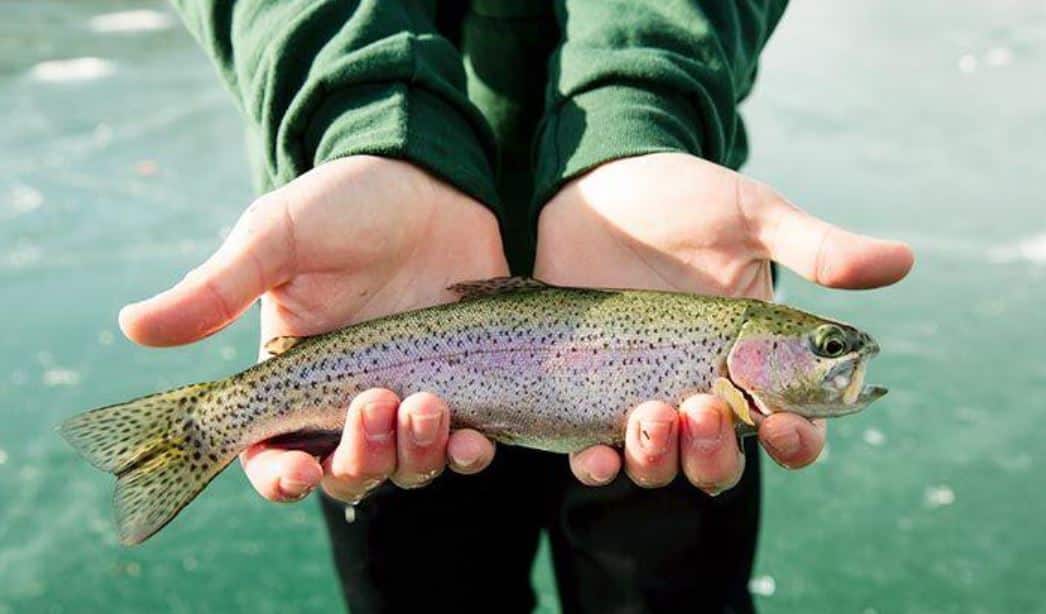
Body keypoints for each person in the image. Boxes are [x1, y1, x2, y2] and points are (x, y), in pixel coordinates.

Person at [119, 1, 914, 612]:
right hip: (372, 279)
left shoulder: (718, 339)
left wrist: (644, 110)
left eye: (827, 345)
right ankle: (212, 422)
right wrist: (361, 124)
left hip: (675, 257)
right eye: (825, 343)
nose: (838, 354)